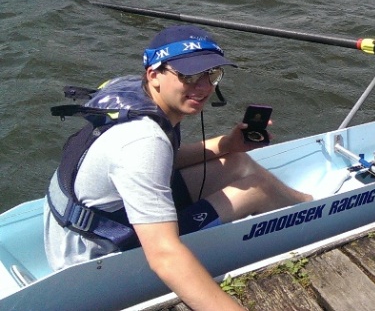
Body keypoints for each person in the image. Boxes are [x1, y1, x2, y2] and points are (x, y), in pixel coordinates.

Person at [44, 25, 311, 311]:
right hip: (92, 260)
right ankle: (316, 213)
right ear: (154, 75)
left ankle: (310, 206)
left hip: (77, 229)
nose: (205, 87)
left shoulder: (138, 96)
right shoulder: (143, 140)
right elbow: (164, 255)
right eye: (189, 76)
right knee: (256, 189)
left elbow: (161, 163)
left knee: (238, 162)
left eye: (211, 74)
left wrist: (227, 144)